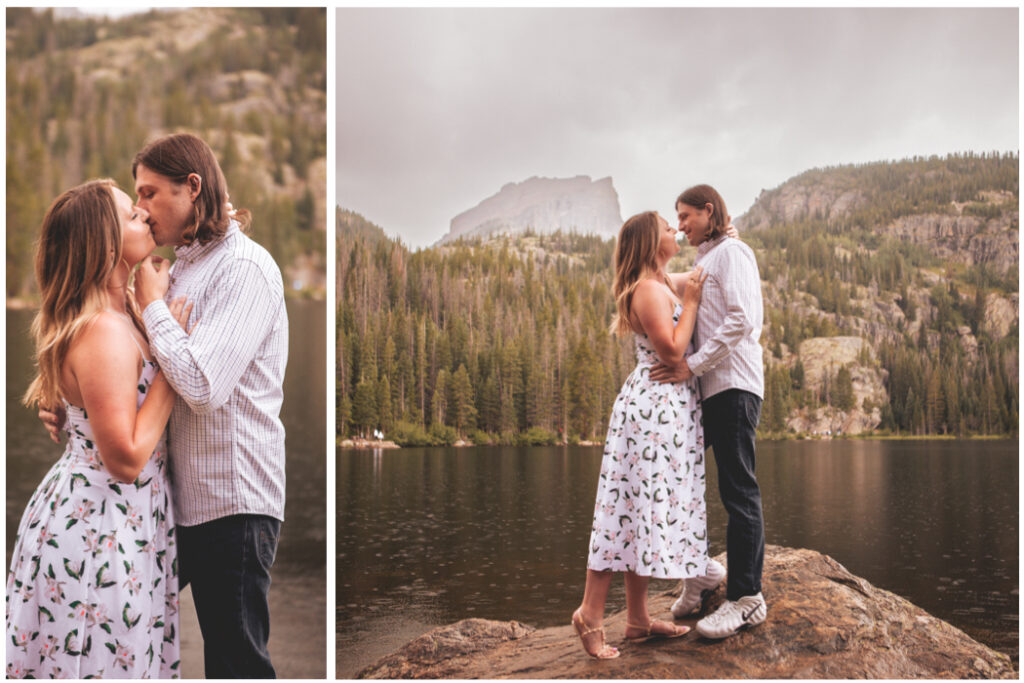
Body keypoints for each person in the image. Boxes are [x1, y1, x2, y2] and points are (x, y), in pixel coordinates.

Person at [41, 133, 289, 678]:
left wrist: (153, 308)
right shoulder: (179, 268)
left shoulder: (243, 269)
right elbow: (132, 371)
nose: (144, 211)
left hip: (233, 502)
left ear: (192, 187)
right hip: (172, 503)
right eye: (137, 199)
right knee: (120, 631)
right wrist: (77, 410)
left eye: (150, 194)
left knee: (235, 662)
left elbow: (199, 385)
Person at [8, 179, 193, 678]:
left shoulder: (122, 311)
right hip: (99, 532)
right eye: (133, 215)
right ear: (106, 244)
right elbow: (127, 460)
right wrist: (177, 355)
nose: (146, 217)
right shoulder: (105, 331)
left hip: (124, 523)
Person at [572, 211, 710, 659]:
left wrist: (723, 237)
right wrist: (690, 304)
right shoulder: (649, 290)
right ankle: (590, 615)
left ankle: (636, 620)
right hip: (649, 413)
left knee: (643, 512)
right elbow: (671, 349)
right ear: (652, 244)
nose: (676, 231)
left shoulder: (662, 281)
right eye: (669, 228)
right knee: (623, 511)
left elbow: (707, 271)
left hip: (664, 413)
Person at [651, 184, 767, 640]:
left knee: (739, 490)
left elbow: (742, 320)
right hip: (708, 393)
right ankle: (700, 574)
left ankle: (746, 599)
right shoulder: (708, 258)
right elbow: (658, 280)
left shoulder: (733, 253)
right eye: (675, 220)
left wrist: (691, 365)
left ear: (708, 210)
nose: (680, 226)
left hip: (733, 387)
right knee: (679, 480)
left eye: (686, 217)